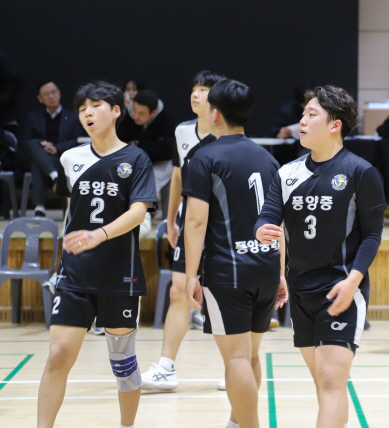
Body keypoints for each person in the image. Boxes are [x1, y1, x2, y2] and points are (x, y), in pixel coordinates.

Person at [256, 85, 386, 428]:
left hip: (341, 290)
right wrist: (260, 230)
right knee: (325, 384)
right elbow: (268, 216)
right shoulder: (287, 173)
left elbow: (372, 235)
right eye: (303, 114)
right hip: (300, 292)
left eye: (312, 115)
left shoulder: (360, 172)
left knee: (330, 380)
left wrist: (353, 281)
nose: (302, 121)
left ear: (335, 125)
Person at [37, 81, 157, 428]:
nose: (87, 113)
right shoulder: (71, 158)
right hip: (75, 275)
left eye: (95, 106)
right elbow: (72, 210)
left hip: (120, 275)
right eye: (82, 109)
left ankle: (126, 425)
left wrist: (98, 235)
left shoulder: (136, 159)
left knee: (123, 364)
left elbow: (139, 212)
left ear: (116, 111)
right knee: (57, 355)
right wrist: (69, 251)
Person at [184, 79, 286, 428]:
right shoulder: (268, 159)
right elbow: (278, 224)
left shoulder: (205, 156)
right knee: (250, 355)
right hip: (266, 269)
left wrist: (190, 275)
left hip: (228, 273)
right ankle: (237, 421)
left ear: (214, 114)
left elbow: (195, 222)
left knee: (237, 359)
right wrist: (281, 273)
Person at [141, 70, 226, 392]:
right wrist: (171, 218)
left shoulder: (228, 134)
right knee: (179, 291)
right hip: (189, 223)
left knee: (221, 296)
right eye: (194, 89)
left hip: (221, 226)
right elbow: (177, 176)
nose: (195, 94)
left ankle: (233, 367)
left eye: (203, 90)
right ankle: (166, 368)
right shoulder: (182, 131)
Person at [22, 80, 85, 216]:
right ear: (40, 98)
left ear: (59, 93)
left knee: (37, 165)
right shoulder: (33, 117)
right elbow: (26, 142)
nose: (51, 96)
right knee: (34, 145)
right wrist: (42, 144)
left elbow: (76, 141)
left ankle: (39, 208)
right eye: (46, 94)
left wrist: (57, 148)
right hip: (40, 155)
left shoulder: (73, 118)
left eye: (53, 92)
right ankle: (55, 177)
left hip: (61, 159)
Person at [116, 88, 175, 197]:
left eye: (141, 113)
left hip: (161, 163)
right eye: (134, 110)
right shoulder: (126, 117)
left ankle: (146, 206)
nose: (136, 116)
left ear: (153, 113)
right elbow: (119, 142)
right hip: (133, 162)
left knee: (149, 184)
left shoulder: (166, 119)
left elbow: (168, 149)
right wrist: (153, 144)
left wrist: (138, 144)